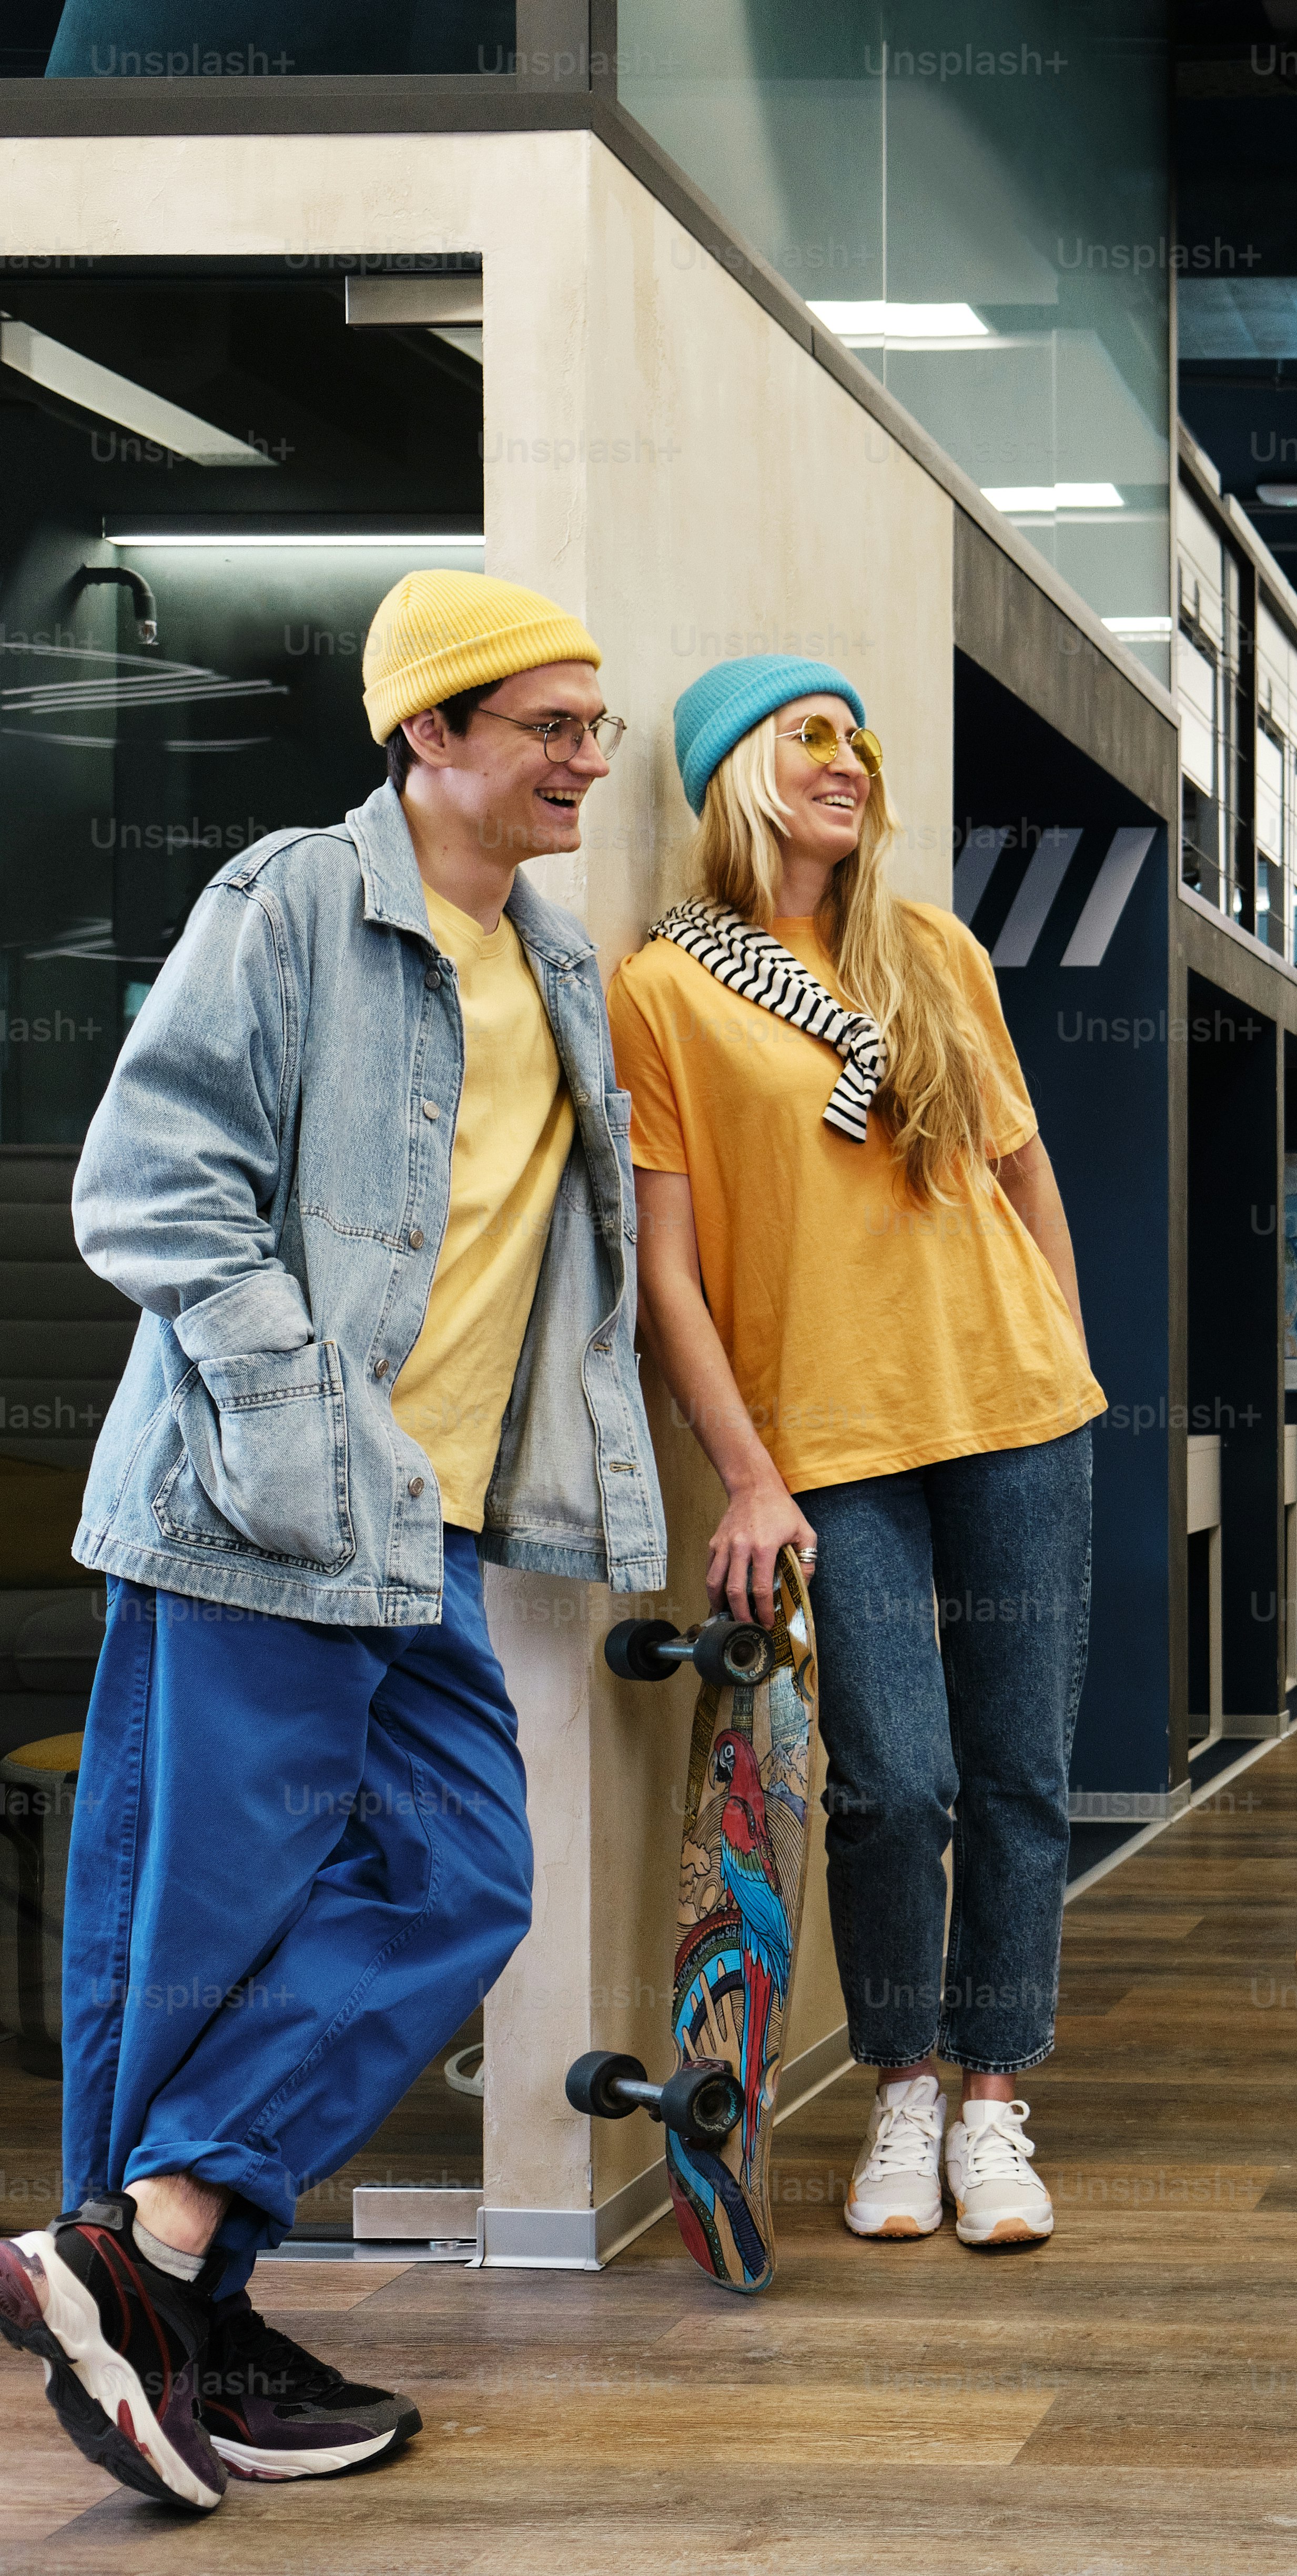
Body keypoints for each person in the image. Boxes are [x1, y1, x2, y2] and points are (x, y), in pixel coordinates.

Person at [0, 571, 666, 2509]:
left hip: (425, 1533)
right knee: (192, 1936)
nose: (585, 761)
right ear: (429, 734)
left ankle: (156, 2252)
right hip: (253, 1512)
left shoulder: (551, 968)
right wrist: (296, 1418)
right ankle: (178, 2320)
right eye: (548, 725)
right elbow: (148, 1188)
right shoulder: (291, 900)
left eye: (594, 725)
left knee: (465, 1879)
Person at [607, 657, 1103, 2254]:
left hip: (1016, 1412)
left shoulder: (933, 954)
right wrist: (747, 1468)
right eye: (810, 737)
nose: (848, 760)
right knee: (896, 1784)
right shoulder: (665, 990)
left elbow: (1024, 1176)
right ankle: (898, 2080)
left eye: (858, 739)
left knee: (1024, 1775)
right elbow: (664, 1269)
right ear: (738, 771)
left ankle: (992, 2101)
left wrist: (1069, 1357)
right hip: (829, 1439)